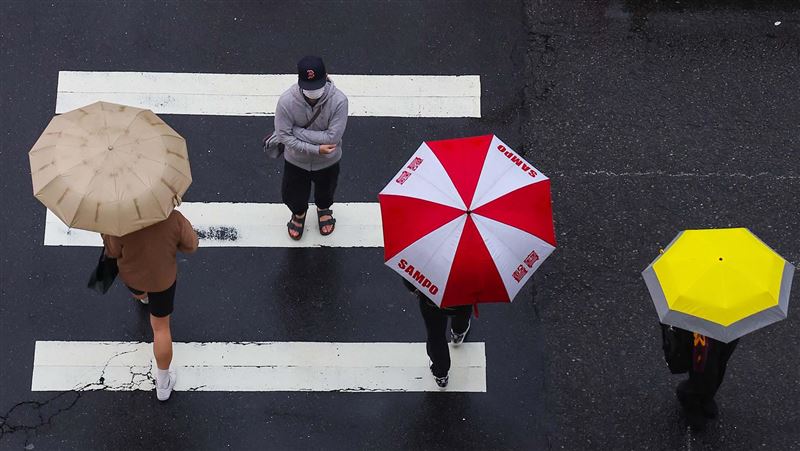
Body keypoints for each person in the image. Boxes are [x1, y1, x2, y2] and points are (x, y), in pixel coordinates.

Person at [102, 210, 199, 401]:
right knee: (161, 328)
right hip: (163, 280)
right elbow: (191, 245)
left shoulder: (118, 222)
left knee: (139, 291)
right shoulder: (172, 218)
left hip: (132, 276)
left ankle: (143, 297)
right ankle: (163, 384)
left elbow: (112, 252)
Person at [275, 55, 349, 240]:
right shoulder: (286, 102)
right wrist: (317, 148)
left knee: (326, 190)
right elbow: (283, 135)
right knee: (293, 194)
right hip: (296, 161)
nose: (313, 91)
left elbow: (333, 137)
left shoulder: (339, 101)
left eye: (317, 86)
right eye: (309, 87)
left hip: (328, 160)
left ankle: (323, 209)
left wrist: (297, 132)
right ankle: (298, 213)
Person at [403, 279, 472, 388]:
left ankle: (441, 374)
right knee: (462, 314)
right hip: (461, 301)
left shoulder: (425, 261)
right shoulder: (475, 264)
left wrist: (415, 290)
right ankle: (458, 333)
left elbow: (408, 274)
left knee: (436, 335)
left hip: (431, 302)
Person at [675, 332, 739, 430]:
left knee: (720, 364)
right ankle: (691, 397)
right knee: (704, 367)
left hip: (727, 327)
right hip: (701, 333)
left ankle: (705, 397)